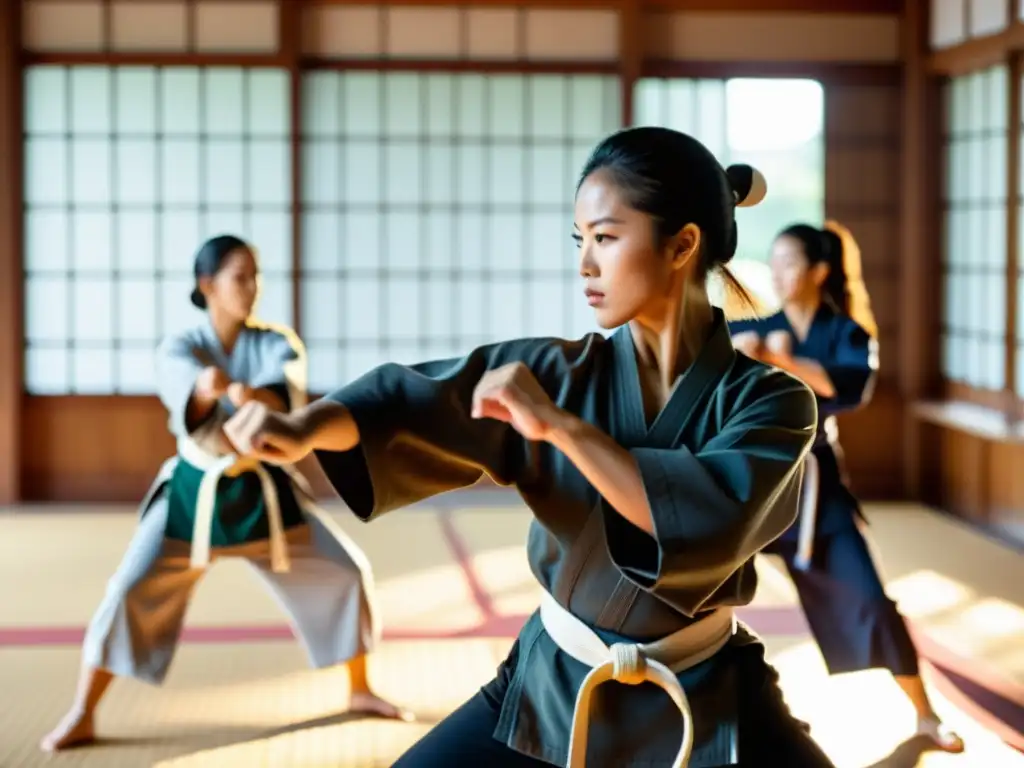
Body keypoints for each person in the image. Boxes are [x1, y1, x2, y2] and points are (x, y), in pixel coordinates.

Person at [221, 128, 837, 767]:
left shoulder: (775, 402)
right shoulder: (557, 373)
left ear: (683, 243)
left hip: (708, 689)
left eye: (605, 237)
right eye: (580, 241)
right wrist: (301, 431)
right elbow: (417, 400)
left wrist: (563, 429)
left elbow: (705, 518)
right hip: (554, 682)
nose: (585, 265)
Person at [41, 235, 409, 752]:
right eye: (240, 277)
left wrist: (243, 393)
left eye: (256, 275)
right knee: (129, 589)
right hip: (196, 493)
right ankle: (83, 710)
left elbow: (287, 399)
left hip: (265, 492)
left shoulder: (278, 341)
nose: (252, 287)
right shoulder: (180, 347)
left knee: (344, 572)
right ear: (207, 285)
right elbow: (191, 406)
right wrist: (204, 388)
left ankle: (359, 689)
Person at [730, 221, 964, 754]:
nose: (778, 272)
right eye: (774, 261)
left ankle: (925, 715)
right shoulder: (755, 328)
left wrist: (783, 359)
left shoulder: (846, 333)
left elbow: (848, 388)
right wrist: (744, 353)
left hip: (817, 490)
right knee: (698, 589)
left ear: (818, 271)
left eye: (790, 262)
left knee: (872, 601)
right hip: (753, 480)